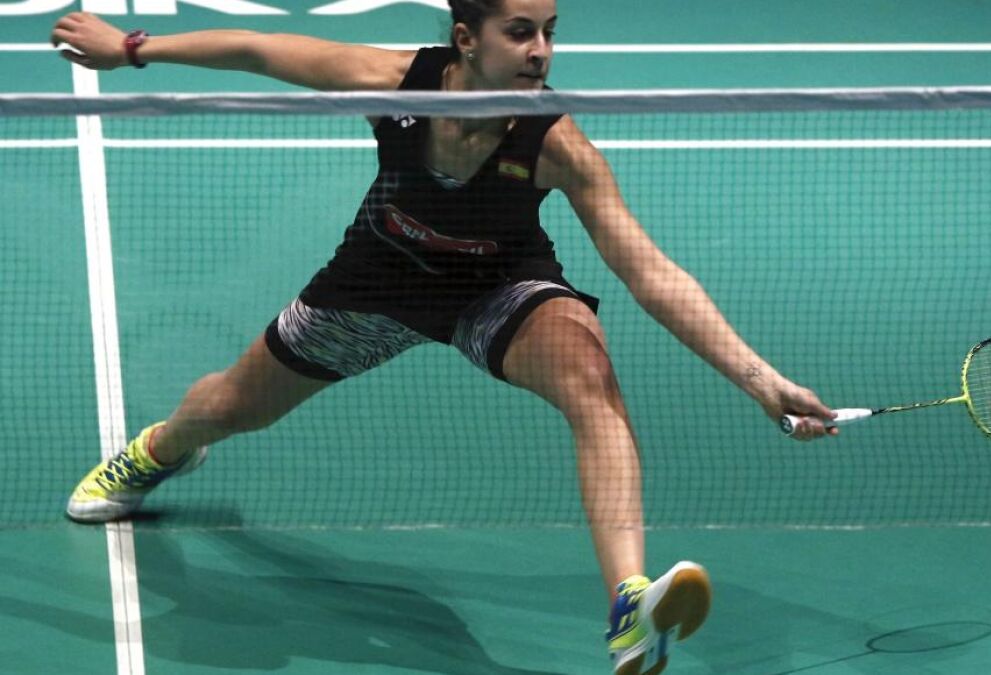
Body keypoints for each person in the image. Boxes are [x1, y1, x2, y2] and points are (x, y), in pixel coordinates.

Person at [52, 1, 837, 672]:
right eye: (521, 32)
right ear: (467, 38)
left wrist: (761, 380)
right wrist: (132, 49)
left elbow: (650, 273)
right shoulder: (396, 82)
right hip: (376, 280)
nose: (541, 52)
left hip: (498, 287)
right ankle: (161, 448)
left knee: (591, 379)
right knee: (230, 406)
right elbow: (260, 48)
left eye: (551, 32)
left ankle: (630, 604)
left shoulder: (555, 143)